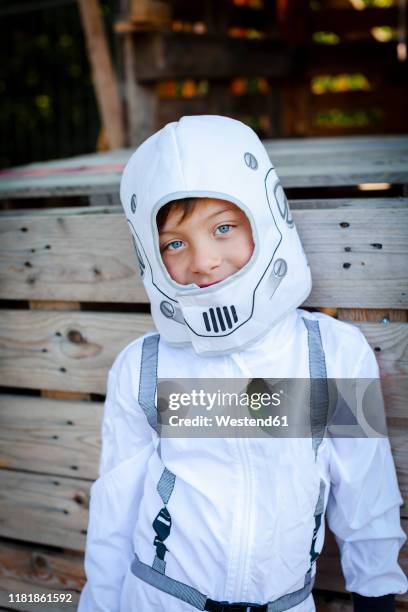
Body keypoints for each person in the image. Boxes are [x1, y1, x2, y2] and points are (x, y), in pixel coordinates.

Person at [78, 116, 407, 612]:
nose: (204, 260)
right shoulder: (143, 367)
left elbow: (366, 492)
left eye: (224, 227)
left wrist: (377, 594)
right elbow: (114, 511)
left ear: (267, 216)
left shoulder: (332, 354)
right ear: (151, 254)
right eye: (174, 242)